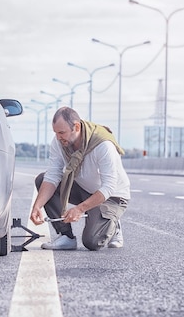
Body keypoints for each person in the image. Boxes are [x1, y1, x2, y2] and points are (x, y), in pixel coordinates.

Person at [29, 106, 130, 250]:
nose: (58, 137)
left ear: (76, 127)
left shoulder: (103, 145)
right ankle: (66, 236)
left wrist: (80, 209)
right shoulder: (60, 141)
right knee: (42, 179)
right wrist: (37, 206)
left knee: (92, 242)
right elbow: (52, 176)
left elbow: (108, 187)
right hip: (84, 188)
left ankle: (113, 223)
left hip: (112, 196)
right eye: (56, 133)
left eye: (62, 132)